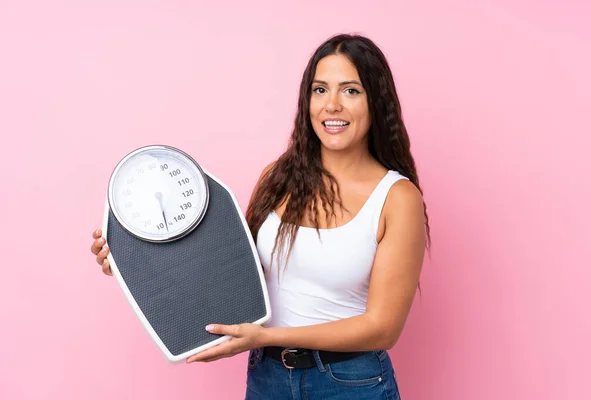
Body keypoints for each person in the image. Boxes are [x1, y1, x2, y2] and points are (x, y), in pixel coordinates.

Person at [90, 33, 430, 400]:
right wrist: (134, 264)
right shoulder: (278, 178)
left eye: (350, 91)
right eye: (320, 90)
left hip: (349, 382)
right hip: (267, 378)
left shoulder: (397, 198)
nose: (332, 105)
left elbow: (383, 329)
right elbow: (230, 269)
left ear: (376, 102)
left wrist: (267, 336)